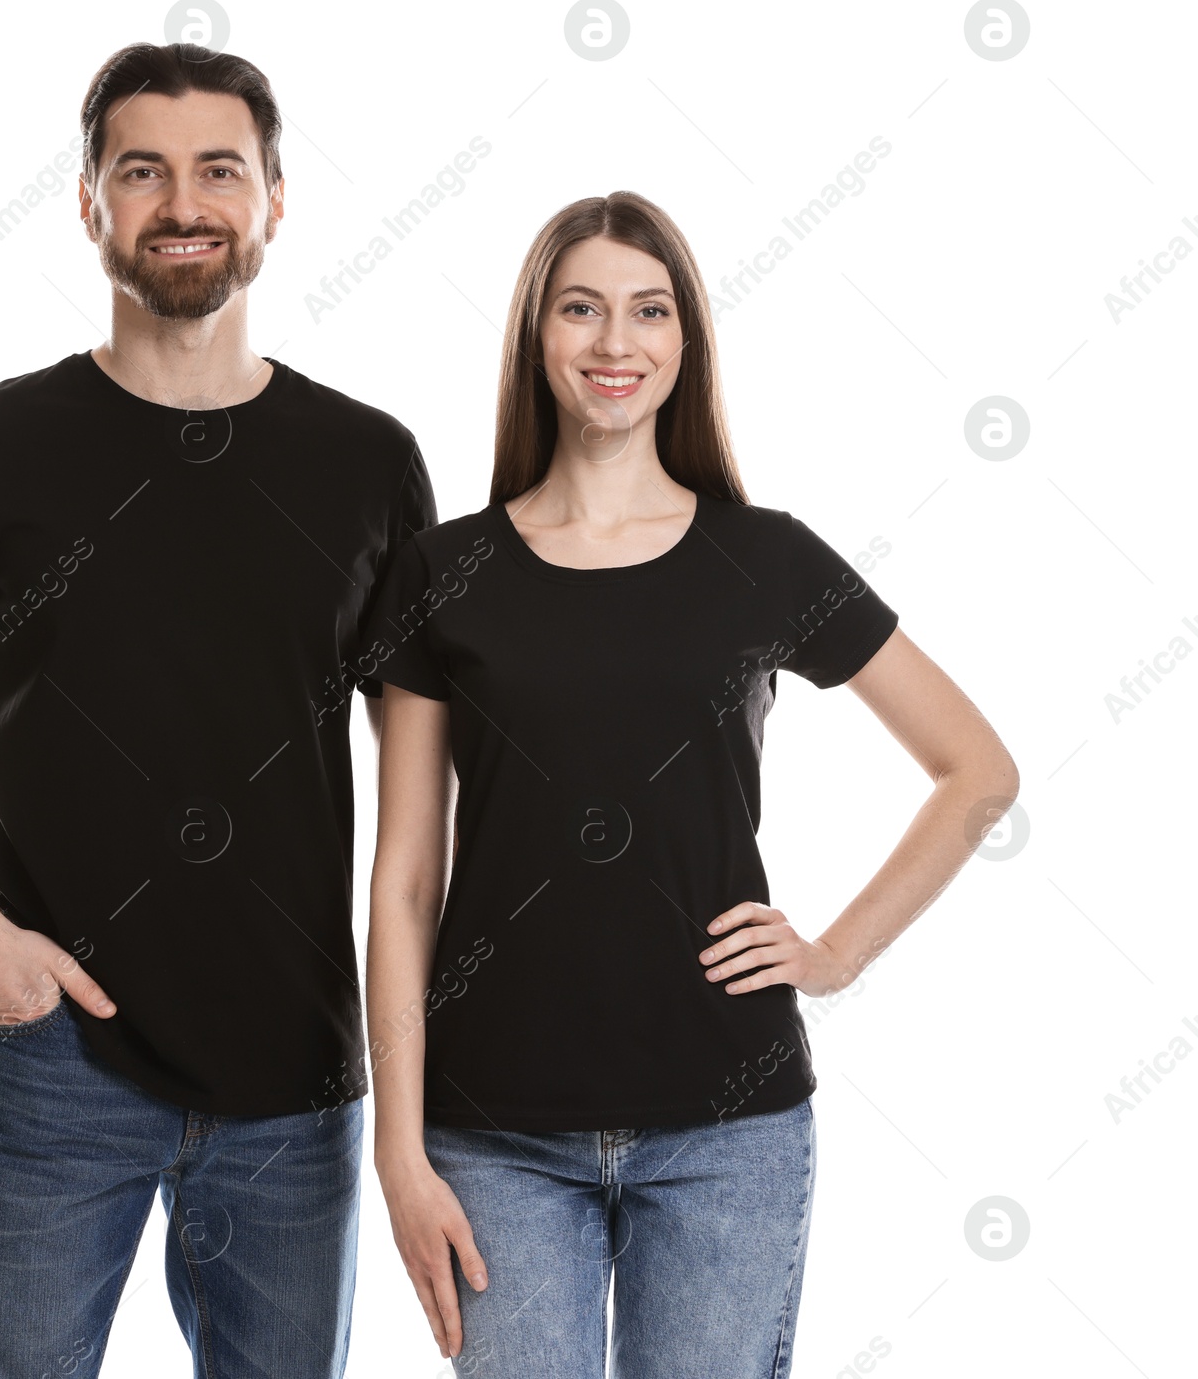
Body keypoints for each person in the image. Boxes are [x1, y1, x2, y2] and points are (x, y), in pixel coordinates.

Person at [0, 42, 435, 1379]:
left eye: (220, 169)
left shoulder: (367, 463)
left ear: (275, 199)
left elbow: (428, 807)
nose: (183, 203)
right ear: (90, 203)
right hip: (56, 1068)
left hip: (296, 1079)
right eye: (142, 171)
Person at [361, 191, 1019, 1377]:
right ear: (534, 335)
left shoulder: (762, 558)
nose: (616, 344)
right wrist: (397, 1152)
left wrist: (835, 953)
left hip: (729, 1128)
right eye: (582, 309)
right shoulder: (442, 571)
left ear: (684, 340)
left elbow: (975, 771)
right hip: (494, 1132)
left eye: (648, 311)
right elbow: (406, 880)